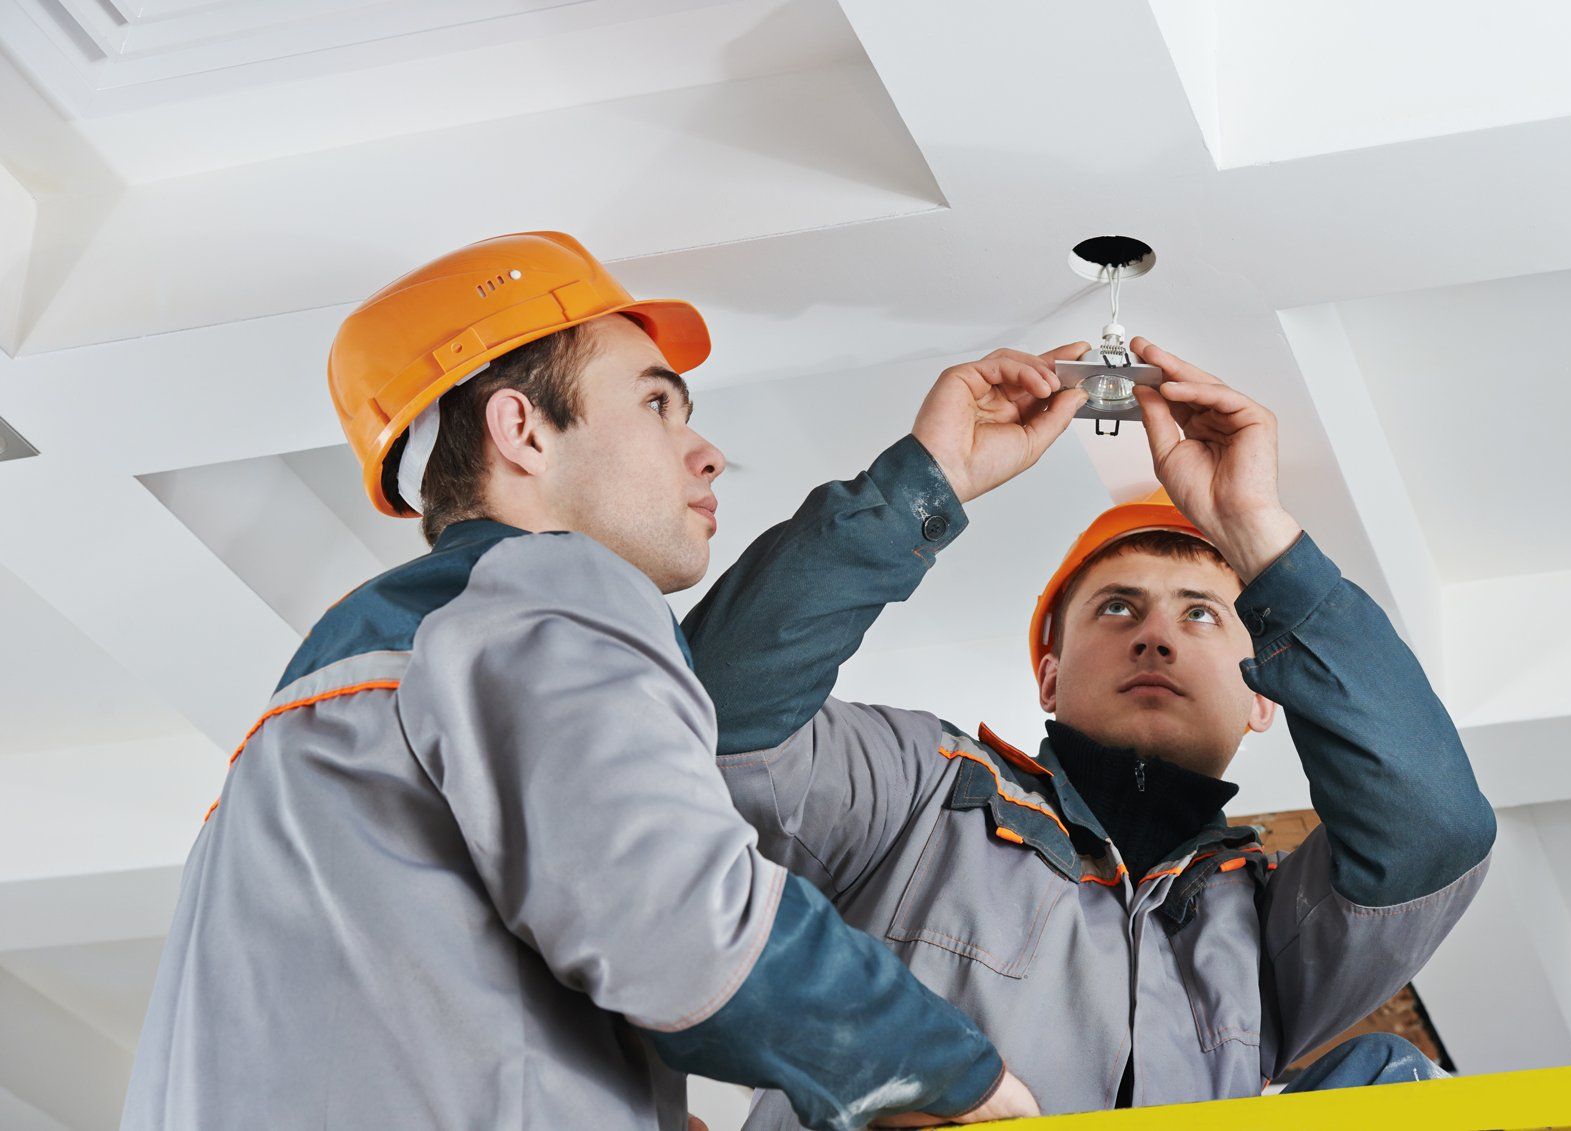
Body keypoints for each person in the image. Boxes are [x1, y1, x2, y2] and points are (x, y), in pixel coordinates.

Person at [120, 232, 1038, 1131]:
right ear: (522, 429)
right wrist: (958, 1075)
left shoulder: (308, 713)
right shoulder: (543, 585)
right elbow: (688, 927)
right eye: (656, 405)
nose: (706, 451)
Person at [683, 339, 1496, 1124]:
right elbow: (717, 712)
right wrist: (920, 489)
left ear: (1263, 698)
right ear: (1049, 675)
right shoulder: (922, 797)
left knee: (1391, 1082)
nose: (1157, 637)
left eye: (1201, 614)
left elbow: (1433, 828)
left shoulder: (1271, 927)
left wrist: (1255, 529)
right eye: (1117, 607)